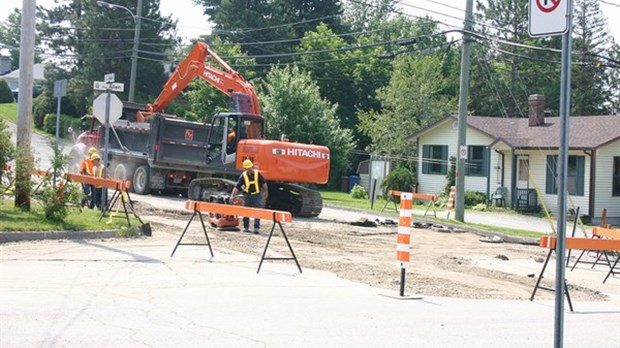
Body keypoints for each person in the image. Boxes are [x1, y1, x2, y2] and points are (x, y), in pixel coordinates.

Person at [230, 159, 268, 234]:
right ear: (245, 169)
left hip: (257, 195)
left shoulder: (258, 174)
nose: (249, 169)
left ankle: (256, 228)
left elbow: (264, 184)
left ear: (252, 166)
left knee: (257, 212)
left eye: (250, 167)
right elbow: (237, 187)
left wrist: (266, 192)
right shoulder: (243, 176)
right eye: (247, 168)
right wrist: (232, 196)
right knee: (246, 212)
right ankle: (246, 227)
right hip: (247, 196)